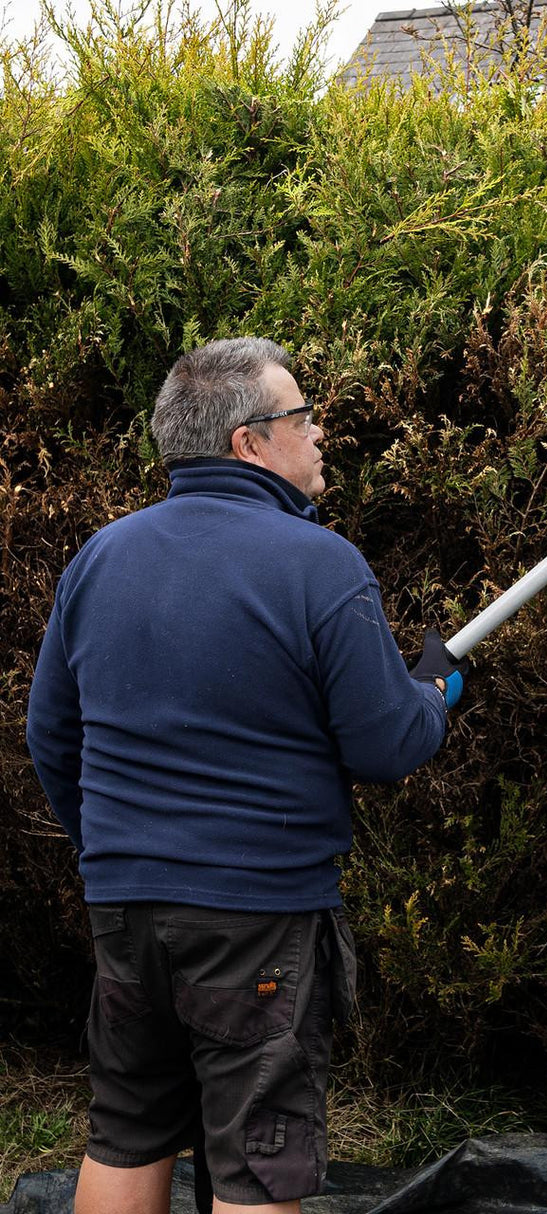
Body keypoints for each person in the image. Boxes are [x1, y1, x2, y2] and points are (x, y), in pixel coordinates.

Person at [25, 337, 466, 1214]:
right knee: (259, 1162)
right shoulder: (318, 564)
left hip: (126, 913)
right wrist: (434, 695)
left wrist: (113, 853)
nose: (319, 433)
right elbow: (387, 746)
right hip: (254, 923)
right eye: (302, 417)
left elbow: (50, 735)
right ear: (248, 442)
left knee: (126, 1129)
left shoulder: (101, 558)